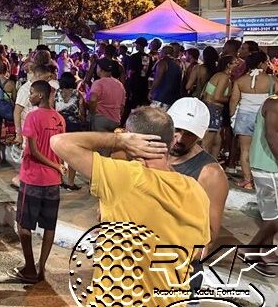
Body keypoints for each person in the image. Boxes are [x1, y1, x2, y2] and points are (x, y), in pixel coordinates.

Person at [51, 107, 211, 306]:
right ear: (171, 142)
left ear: (132, 139)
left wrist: (118, 140)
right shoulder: (196, 190)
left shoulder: (126, 178)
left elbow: (59, 142)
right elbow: (199, 251)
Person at [166, 97, 229, 290]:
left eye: (189, 134)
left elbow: (209, 236)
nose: (180, 139)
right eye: (177, 130)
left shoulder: (211, 173)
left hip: (178, 271)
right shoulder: (153, 152)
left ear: (200, 135)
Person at [10, 80, 65, 283]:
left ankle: (29, 268)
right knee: (49, 225)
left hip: (33, 178)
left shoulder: (33, 117)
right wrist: (57, 166)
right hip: (53, 181)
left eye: (32, 92)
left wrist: (54, 165)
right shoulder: (59, 118)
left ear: (40, 95)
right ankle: (41, 267)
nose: (30, 96)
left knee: (23, 224)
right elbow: (59, 148)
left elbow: (33, 151)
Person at [230, 51, 275, 189]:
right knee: (263, 147)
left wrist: (232, 116)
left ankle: (247, 180)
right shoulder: (271, 80)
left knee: (245, 150)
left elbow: (234, 100)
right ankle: (260, 179)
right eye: (266, 62)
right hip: (264, 117)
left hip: (244, 116)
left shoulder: (240, 80)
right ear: (261, 63)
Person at [245, 94, 278, 277]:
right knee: (275, 217)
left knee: (272, 215)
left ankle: (266, 251)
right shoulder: (274, 104)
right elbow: (272, 137)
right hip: (269, 166)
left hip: (270, 166)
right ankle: (251, 249)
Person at [201, 55, 237, 160]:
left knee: (217, 140)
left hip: (211, 108)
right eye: (235, 62)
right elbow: (217, 97)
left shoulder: (219, 75)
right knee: (208, 140)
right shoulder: (224, 77)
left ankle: (212, 162)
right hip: (213, 109)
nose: (238, 64)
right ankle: (203, 163)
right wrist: (232, 98)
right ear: (228, 65)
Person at [55, 72, 85, 190]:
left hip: (60, 126)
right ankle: (71, 183)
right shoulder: (78, 94)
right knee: (73, 154)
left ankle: (59, 179)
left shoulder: (56, 93)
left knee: (60, 153)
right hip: (74, 127)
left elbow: (52, 109)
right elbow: (82, 112)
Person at [88, 58, 125, 133]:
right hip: (115, 121)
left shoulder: (98, 83)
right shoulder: (119, 84)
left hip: (101, 119)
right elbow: (122, 106)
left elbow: (93, 99)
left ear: (100, 69)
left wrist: (92, 113)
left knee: (99, 140)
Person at [149, 45, 182, 110]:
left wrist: (151, 91)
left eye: (161, 51)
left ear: (164, 52)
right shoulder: (178, 65)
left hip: (161, 97)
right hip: (172, 98)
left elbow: (158, 79)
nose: (159, 53)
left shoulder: (162, 62)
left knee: (155, 115)